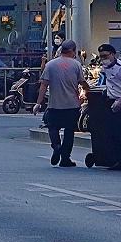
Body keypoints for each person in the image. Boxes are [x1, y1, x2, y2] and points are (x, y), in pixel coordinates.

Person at [35, 39, 85, 168]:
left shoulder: (50, 65)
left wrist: (38, 103)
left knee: (53, 128)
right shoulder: (76, 65)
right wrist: (88, 89)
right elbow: (82, 82)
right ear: (73, 51)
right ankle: (65, 158)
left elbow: (43, 85)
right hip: (72, 104)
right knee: (69, 131)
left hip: (54, 104)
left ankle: (56, 146)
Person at [97, 43, 121, 171]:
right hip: (111, 100)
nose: (103, 58)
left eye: (105, 56)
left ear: (113, 54)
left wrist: (120, 100)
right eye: (101, 56)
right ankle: (117, 159)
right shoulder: (105, 66)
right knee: (113, 132)